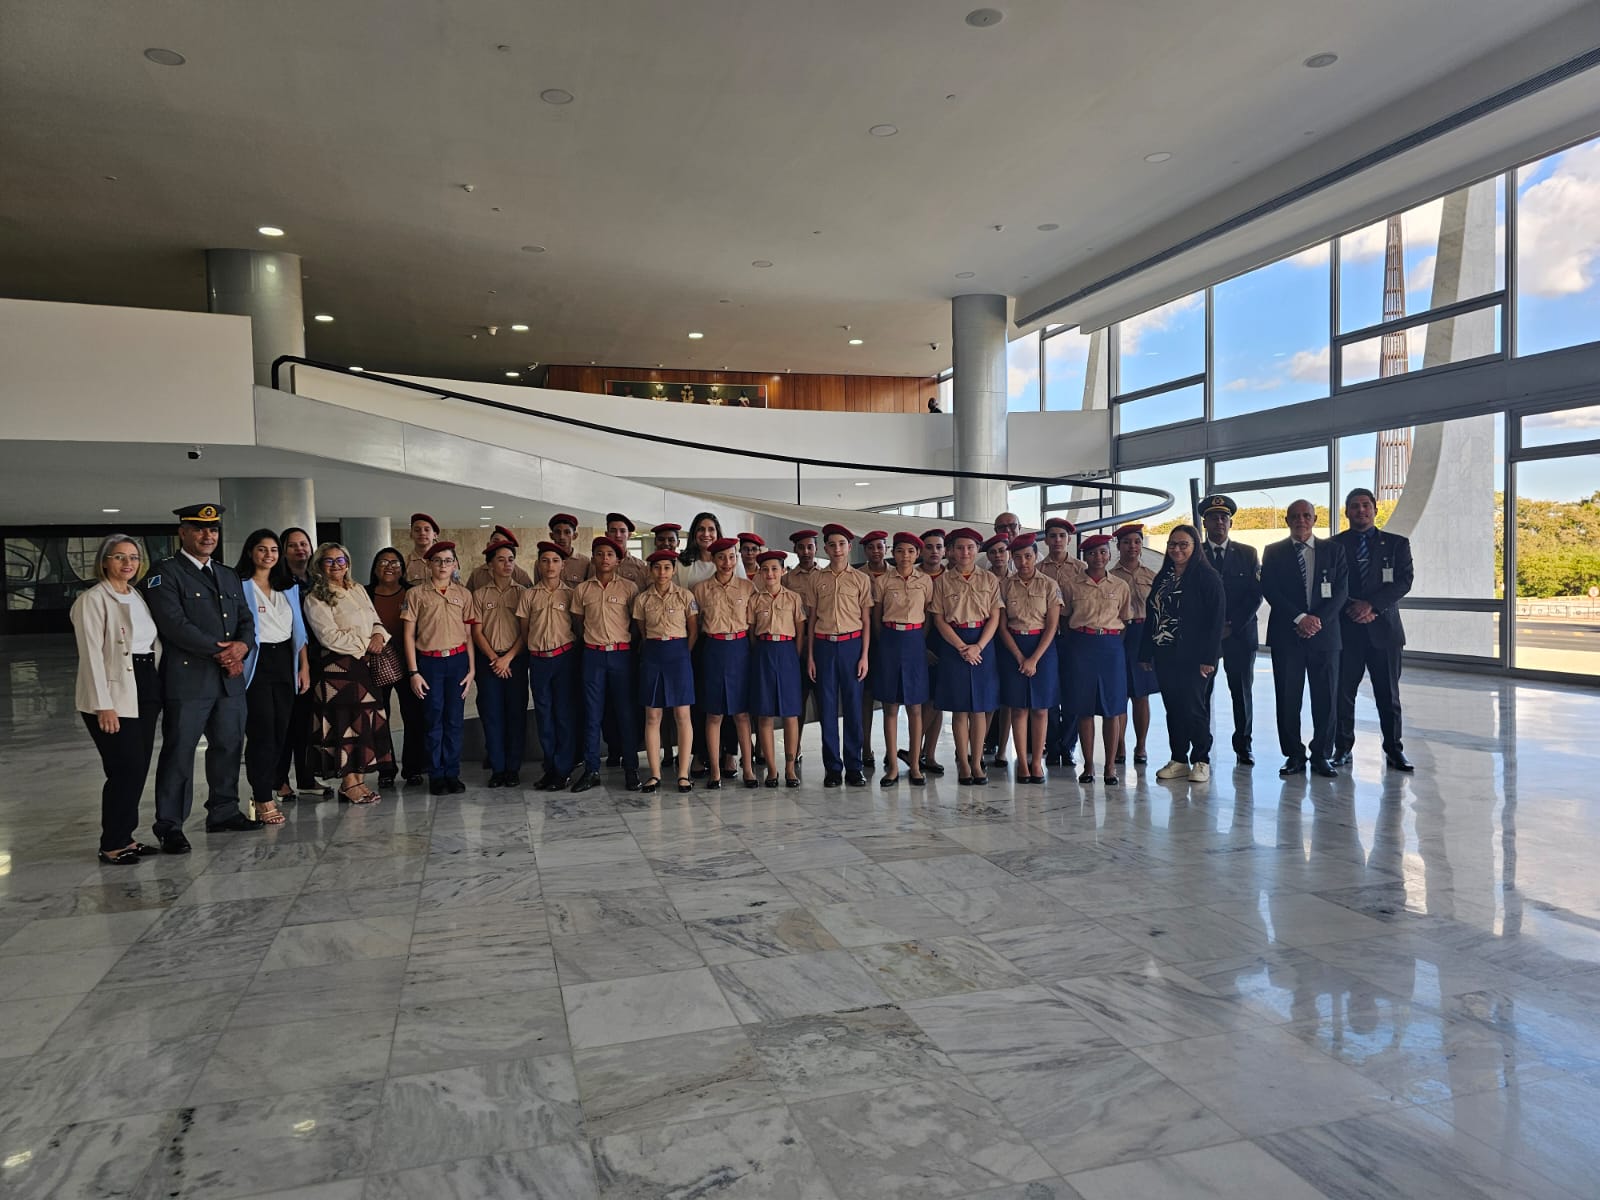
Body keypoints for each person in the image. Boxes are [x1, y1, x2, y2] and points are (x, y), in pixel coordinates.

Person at [145, 503, 260, 851]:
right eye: (198, 529)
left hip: (229, 680)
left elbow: (246, 618)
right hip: (189, 680)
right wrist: (222, 652)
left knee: (228, 746)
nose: (207, 535)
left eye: (212, 530)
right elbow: (174, 625)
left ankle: (223, 811)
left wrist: (242, 646)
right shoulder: (165, 573)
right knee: (180, 752)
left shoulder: (227, 574)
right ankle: (169, 825)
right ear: (182, 533)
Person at [71, 535, 163, 863]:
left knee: (137, 768)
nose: (128, 563)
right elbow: (91, 656)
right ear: (104, 561)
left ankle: (126, 836)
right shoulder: (93, 600)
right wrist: (103, 705)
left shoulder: (135, 595)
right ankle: (111, 843)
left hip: (144, 683)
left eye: (134, 557)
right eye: (120, 557)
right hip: (113, 691)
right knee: (125, 767)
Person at [1260, 499, 1348, 778]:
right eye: (1295, 516)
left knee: (1327, 698)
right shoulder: (1273, 552)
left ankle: (1322, 754)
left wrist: (1316, 621)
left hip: (1325, 635)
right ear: (1287, 520)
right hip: (1287, 635)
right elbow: (1270, 589)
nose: (1301, 520)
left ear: (1314, 519)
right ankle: (1294, 755)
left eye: (1306, 515)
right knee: (1288, 698)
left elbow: (1341, 591)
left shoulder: (1334, 551)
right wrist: (1300, 618)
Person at [303, 541, 394, 803]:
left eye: (340, 560)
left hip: (364, 666)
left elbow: (375, 620)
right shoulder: (315, 596)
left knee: (363, 724)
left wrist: (378, 636)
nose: (336, 565)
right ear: (319, 565)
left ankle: (360, 780)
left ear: (348, 564)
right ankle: (348, 782)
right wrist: (366, 643)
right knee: (345, 726)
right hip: (338, 670)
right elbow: (328, 636)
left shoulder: (357, 589)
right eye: (329, 560)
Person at [1333, 487, 1414, 771]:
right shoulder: (1334, 546)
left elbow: (1404, 581)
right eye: (1355, 506)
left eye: (1366, 505)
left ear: (1375, 510)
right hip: (1347, 632)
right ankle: (1342, 749)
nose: (1361, 510)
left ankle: (1394, 750)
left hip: (1385, 633)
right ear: (1347, 512)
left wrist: (1372, 606)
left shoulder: (1396, 544)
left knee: (1388, 695)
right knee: (1343, 694)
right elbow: (1329, 584)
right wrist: (1352, 608)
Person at [1139, 525, 1225, 783]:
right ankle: (1178, 759)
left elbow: (1216, 621)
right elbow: (1152, 615)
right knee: (1173, 707)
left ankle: (1201, 760)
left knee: (1194, 708)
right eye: (1172, 544)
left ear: (1195, 547)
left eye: (1183, 544)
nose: (1177, 549)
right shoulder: (1163, 577)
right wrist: (1145, 652)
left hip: (1195, 656)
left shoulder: (1207, 577)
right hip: (1165, 653)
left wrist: (1208, 658)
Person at [235, 529, 310, 824]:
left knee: (281, 731)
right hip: (256, 661)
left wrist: (303, 666)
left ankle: (271, 785)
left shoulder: (287, 587)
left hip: (285, 661)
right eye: (262, 549)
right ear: (250, 551)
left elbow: (299, 631)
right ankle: (262, 797)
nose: (269, 555)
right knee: (262, 731)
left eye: (274, 550)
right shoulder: (240, 585)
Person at [402, 540, 478, 795]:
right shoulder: (415, 594)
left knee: (454, 720)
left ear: (455, 564)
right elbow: (408, 635)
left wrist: (472, 670)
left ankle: (452, 773)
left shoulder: (464, 594)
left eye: (448, 561)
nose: (443, 565)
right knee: (433, 719)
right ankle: (436, 774)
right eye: (437, 561)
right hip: (429, 663)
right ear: (429, 564)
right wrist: (414, 672)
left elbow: (468, 635)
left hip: (457, 662)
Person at [930, 527, 1003, 785]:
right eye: (959, 548)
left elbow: (995, 617)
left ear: (977, 550)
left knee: (980, 709)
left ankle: (976, 762)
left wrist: (978, 647)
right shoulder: (943, 581)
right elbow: (939, 619)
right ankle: (963, 762)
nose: (965, 552)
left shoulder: (989, 579)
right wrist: (962, 647)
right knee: (960, 710)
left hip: (983, 644)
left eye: (970, 547)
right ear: (951, 551)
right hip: (955, 645)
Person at [1062, 534, 1135, 785]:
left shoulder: (1120, 586)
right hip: (1081, 646)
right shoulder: (1072, 585)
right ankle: (1089, 765)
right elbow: (1065, 619)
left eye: (1103, 552)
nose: (1098, 557)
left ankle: (1111, 766)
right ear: (1085, 557)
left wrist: (1111, 642)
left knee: (1112, 709)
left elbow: (1125, 620)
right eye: (1092, 553)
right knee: (1084, 708)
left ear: (1110, 554)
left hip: (1111, 647)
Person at [570, 535, 641, 792]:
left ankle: (631, 767)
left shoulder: (629, 588)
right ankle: (591, 770)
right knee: (592, 714)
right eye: (599, 554)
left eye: (610, 554)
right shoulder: (582, 590)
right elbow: (578, 624)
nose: (604, 558)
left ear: (618, 560)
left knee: (625, 713)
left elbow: (636, 623)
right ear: (593, 558)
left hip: (621, 655)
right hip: (593, 656)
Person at [808, 523, 874, 788]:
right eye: (832, 544)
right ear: (825, 548)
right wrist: (810, 656)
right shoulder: (816, 579)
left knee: (853, 707)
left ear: (849, 547)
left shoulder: (861, 579)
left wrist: (864, 656)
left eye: (842, 544)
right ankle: (833, 768)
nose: (837, 549)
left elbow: (866, 621)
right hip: (824, 646)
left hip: (852, 646)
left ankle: (854, 767)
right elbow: (812, 620)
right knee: (827, 708)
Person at [1200, 495, 1262, 767]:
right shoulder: (1195, 554)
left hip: (1240, 634)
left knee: (1241, 692)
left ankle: (1244, 746)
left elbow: (1255, 594)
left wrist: (1232, 625)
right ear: (1205, 523)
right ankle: (1201, 746)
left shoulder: (1248, 553)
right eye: (1213, 517)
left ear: (1231, 523)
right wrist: (1214, 628)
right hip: (1206, 638)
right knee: (1202, 693)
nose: (1219, 522)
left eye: (1224, 517)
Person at [998, 533, 1063, 784]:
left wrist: (1034, 659)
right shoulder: (1005, 585)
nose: (1023, 562)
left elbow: (1052, 625)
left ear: (1036, 556)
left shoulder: (1049, 585)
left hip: (1042, 649)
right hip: (1014, 647)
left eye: (1028, 556)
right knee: (1018, 708)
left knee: (1041, 708)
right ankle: (1023, 763)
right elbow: (1003, 626)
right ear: (1012, 559)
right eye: (1018, 557)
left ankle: (1037, 761)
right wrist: (1019, 656)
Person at [693, 537, 757, 788]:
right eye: (721, 557)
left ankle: (748, 769)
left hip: (740, 649)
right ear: (713, 559)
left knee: (742, 713)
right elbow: (696, 624)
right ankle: (715, 771)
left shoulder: (747, 587)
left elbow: (753, 625)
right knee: (714, 713)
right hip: (713, 649)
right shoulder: (700, 590)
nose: (726, 562)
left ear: (736, 558)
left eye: (731, 557)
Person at [635, 548, 700, 792]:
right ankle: (654, 774)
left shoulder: (685, 596)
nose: (662, 572)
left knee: (682, 715)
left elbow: (693, 631)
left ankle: (683, 773)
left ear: (673, 571)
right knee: (652, 716)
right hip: (653, 655)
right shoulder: (642, 599)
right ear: (650, 571)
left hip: (679, 655)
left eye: (666, 568)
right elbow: (642, 631)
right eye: (657, 567)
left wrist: (683, 654)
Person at [873, 532, 934, 787]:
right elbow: (877, 617)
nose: (905, 556)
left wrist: (919, 640)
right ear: (893, 553)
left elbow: (928, 615)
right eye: (900, 551)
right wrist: (885, 641)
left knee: (915, 707)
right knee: (890, 706)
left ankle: (916, 765)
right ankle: (893, 766)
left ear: (917, 554)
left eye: (910, 551)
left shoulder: (925, 580)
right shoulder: (883, 581)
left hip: (914, 641)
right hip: (889, 640)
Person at [520, 541, 581, 790]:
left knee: (564, 714)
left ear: (563, 565)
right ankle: (550, 766)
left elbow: (578, 627)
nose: (550, 566)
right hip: (539, 661)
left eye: (555, 561)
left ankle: (563, 769)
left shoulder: (571, 594)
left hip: (564, 658)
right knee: (544, 715)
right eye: (545, 561)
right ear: (538, 564)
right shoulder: (529, 595)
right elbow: (525, 631)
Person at [471, 537, 530, 787]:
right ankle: (498, 768)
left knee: (516, 714)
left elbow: (526, 632)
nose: (507, 564)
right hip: (489, 662)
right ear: (490, 565)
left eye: (511, 560)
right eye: (501, 560)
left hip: (515, 660)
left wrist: (508, 658)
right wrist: (495, 659)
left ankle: (513, 768)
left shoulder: (523, 593)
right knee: (492, 715)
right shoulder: (479, 595)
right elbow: (476, 632)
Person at [275, 525, 326, 800]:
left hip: (318, 658)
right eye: (293, 545)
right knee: (286, 721)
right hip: (288, 658)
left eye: (303, 544)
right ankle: (280, 780)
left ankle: (307, 777)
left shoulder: (318, 580)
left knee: (307, 723)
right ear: (284, 551)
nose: (300, 549)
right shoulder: (278, 582)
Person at [368, 547, 427, 786]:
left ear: (402, 569)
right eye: (383, 562)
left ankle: (413, 768)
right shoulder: (364, 594)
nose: (389, 567)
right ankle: (386, 769)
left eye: (395, 563)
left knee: (414, 717)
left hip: (410, 663)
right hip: (377, 663)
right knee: (380, 718)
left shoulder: (413, 593)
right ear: (375, 568)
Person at [749, 549, 806, 787]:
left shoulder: (793, 599)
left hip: (787, 653)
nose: (770, 573)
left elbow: (800, 632)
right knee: (764, 713)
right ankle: (772, 769)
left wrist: (794, 656)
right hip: (763, 652)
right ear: (760, 573)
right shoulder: (755, 600)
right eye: (765, 569)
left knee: (790, 713)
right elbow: (752, 634)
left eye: (774, 569)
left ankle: (790, 768)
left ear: (783, 571)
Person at [898, 527, 949, 777]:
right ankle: (914, 750)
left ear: (945, 550)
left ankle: (928, 753)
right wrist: (922, 646)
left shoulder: (950, 576)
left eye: (938, 547)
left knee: (938, 699)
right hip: (918, 641)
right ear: (921, 551)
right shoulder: (913, 576)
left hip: (947, 640)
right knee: (920, 700)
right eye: (929, 547)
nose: (934, 552)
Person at [1110, 523, 1159, 767]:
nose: (1132, 546)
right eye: (1127, 542)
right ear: (1118, 546)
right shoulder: (1110, 576)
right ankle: (1119, 745)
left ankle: (1141, 745)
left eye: (1137, 542)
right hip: (1119, 634)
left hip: (1143, 634)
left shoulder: (1152, 576)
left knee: (1141, 695)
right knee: (1119, 693)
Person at [1037, 517, 1084, 768]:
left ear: (1069, 539)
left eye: (1062, 536)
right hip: (1046, 637)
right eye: (1053, 536)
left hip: (1074, 636)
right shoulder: (1037, 569)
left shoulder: (1081, 568)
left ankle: (1068, 746)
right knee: (1050, 692)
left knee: (1073, 692)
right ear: (1046, 540)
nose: (1057, 540)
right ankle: (1052, 745)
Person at [857, 529, 889, 769]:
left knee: (891, 698)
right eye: (871, 547)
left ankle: (891, 749)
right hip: (865, 641)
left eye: (880, 546)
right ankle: (866, 747)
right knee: (865, 697)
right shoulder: (858, 576)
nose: (876, 551)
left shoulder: (897, 573)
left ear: (886, 548)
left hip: (892, 641)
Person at [466, 526, 534, 589]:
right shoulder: (476, 574)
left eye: (504, 544)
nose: (499, 546)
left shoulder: (520, 575)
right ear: (488, 545)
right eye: (496, 542)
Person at [606, 513, 651, 586]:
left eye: (622, 531)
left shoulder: (640, 566)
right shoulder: (596, 565)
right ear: (607, 535)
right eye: (613, 531)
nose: (618, 535)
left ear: (629, 535)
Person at [549, 513, 591, 586]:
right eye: (557, 532)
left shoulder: (585, 562)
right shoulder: (542, 563)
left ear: (574, 536)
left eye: (567, 532)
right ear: (551, 536)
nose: (562, 537)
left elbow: (589, 589)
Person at [405, 512, 439, 583]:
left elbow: (456, 586)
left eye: (427, 530)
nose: (422, 533)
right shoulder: (404, 563)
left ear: (435, 535)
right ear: (411, 535)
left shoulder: (445, 561)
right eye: (417, 530)